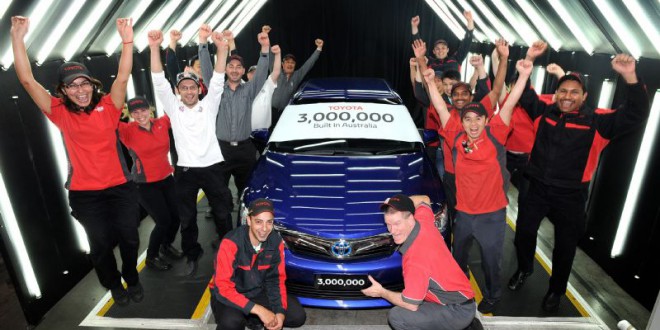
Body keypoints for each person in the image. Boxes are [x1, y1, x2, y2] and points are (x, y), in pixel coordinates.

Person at [508, 41, 650, 312]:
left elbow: (636, 113)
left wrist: (630, 76)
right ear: (556, 94)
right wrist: (526, 63)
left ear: (584, 97)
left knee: (565, 248)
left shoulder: (598, 121)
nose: (567, 96)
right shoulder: (544, 112)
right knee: (523, 234)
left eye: (574, 92)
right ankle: (525, 268)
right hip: (536, 187)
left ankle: (555, 291)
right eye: (563, 91)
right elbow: (524, 95)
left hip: (571, 196)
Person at [11, 16, 143, 305]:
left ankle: (131, 276)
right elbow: (26, 79)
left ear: (93, 85)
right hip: (86, 195)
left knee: (130, 238)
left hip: (121, 188)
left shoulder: (109, 106)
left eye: (84, 83)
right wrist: (18, 38)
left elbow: (122, 77)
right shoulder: (59, 112)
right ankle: (113, 284)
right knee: (100, 245)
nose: (80, 90)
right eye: (72, 86)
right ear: (64, 91)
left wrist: (127, 40)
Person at [424, 58, 533, 314]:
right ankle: (459, 291)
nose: (473, 124)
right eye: (468, 119)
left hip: (492, 216)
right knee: (458, 258)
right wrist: (429, 81)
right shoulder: (454, 133)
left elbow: (508, 102)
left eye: (478, 119)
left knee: (490, 262)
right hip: (464, 213)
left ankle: (493, 296)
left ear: (486, 120)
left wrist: (524, 76)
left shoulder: (496, 133)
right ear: (460, 122)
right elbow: (440, 105)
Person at [148, 27, 232, 276]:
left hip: (214, 167)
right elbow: (157, 79)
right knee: (187, 218)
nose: (188, 91)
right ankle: (191, 254)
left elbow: (218, 76)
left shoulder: (210, 105)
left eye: (192, 87)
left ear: (199, 89)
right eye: (183, 88)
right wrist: (154, 48)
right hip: (185, 171)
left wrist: (222, 47)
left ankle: (229, 254)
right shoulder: (173, 108)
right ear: (178, 91)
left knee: (223, 213)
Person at [413, 37, 510, 235]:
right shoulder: (445, 113)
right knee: (454, 217)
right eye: (455, 94)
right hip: (452, 175)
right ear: (450, 96)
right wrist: (422, 60)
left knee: (477, 217)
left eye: (464, 93)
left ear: (471, 96)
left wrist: (504, 58)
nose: (459, 97)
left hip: (476, 176)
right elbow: (429, 89)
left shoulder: (480, 111)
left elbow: (497, 88)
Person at [198, 25, 274, 236]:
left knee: (247, 194)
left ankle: (245, 236)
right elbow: (206, 69)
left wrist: (265, 48)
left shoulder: (249, 90)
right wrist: (203, 44)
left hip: (244, 150)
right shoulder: (216, 89)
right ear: (225, 69)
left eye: (237, 67)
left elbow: (262, 71)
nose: (233, 69)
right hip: (220, 150)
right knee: (220, 198)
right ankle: (225, 238)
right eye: (229, 66)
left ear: (242, 71)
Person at [361, 194, 478, 330]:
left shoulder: (415, 259)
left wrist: (381, 292)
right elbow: (424, 199)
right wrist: (400, 203)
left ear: (411, 218)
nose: (392, 231)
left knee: (398, 317)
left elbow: (410, 304)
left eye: (397, 223)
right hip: (459, 300)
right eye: (388, 224)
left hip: (457, 311)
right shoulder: (422, 221)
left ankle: (457, 325)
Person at [210, 198, 306, 330]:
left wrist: (279, 312)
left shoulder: (275, 241)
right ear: (249, 221)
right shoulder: (230, 242)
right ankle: (251, 317)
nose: (264, 229)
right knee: (231, 323)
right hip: (230, 294)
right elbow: (223, 287)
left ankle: (253, 319)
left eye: (269, 222)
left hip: (258, 291)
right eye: (258, 222)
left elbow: (276, 280)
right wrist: (259, 310)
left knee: (297, 317)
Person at [118, 97, 183, 271]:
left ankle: (166, 245)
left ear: (150, 109)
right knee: (163, 221)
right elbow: (108, 120)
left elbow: (177, 108)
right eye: (135, 112)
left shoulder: (161, 123)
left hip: (166, 178)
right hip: (144, 184)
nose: (140, 115)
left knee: (176, 217)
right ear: (130, 114)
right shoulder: (127, 130)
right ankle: (151, 257)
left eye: (143, 110)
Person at [270, 38, 324, 127]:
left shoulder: (297, 75)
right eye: (287, 62)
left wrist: (318, 48)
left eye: (292, 63)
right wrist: (266, 38)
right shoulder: (276, 72)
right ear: (282, 64)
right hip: (270, 112)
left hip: (285, 114)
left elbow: (309, 63)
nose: (290, 64)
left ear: (295, 65)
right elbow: (270, 59)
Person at [411, 11, 474, 75]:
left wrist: (470, 21)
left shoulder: (456, 59)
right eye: (437, 48)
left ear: (447, 50)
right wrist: (414, 26)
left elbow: (467, 42)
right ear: (434, 51)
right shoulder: (429, 62)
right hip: (432, 84)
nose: (440, 50)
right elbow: (419, 46)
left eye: (443, 48)